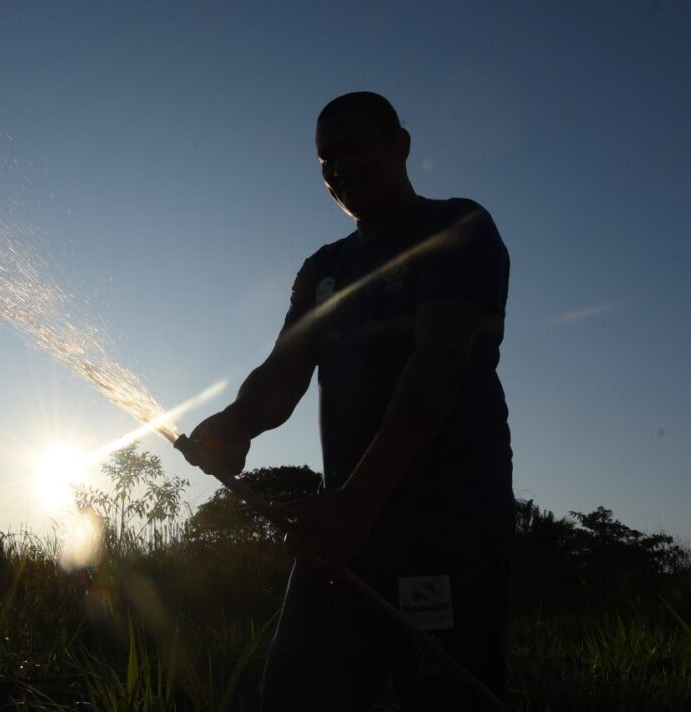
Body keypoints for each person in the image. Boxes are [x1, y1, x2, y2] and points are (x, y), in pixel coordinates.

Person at [185, 92, 514, 710]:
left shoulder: (456, 227)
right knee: (296, 691)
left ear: (400, 146)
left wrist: (358, 502)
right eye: (325, 160)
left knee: (446, 694)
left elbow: (436, 369)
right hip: (342, 528)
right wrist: (235, 424)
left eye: (355, 148)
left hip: (445, 522)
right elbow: (282, 376)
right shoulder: (324, 267)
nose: (339, 169)